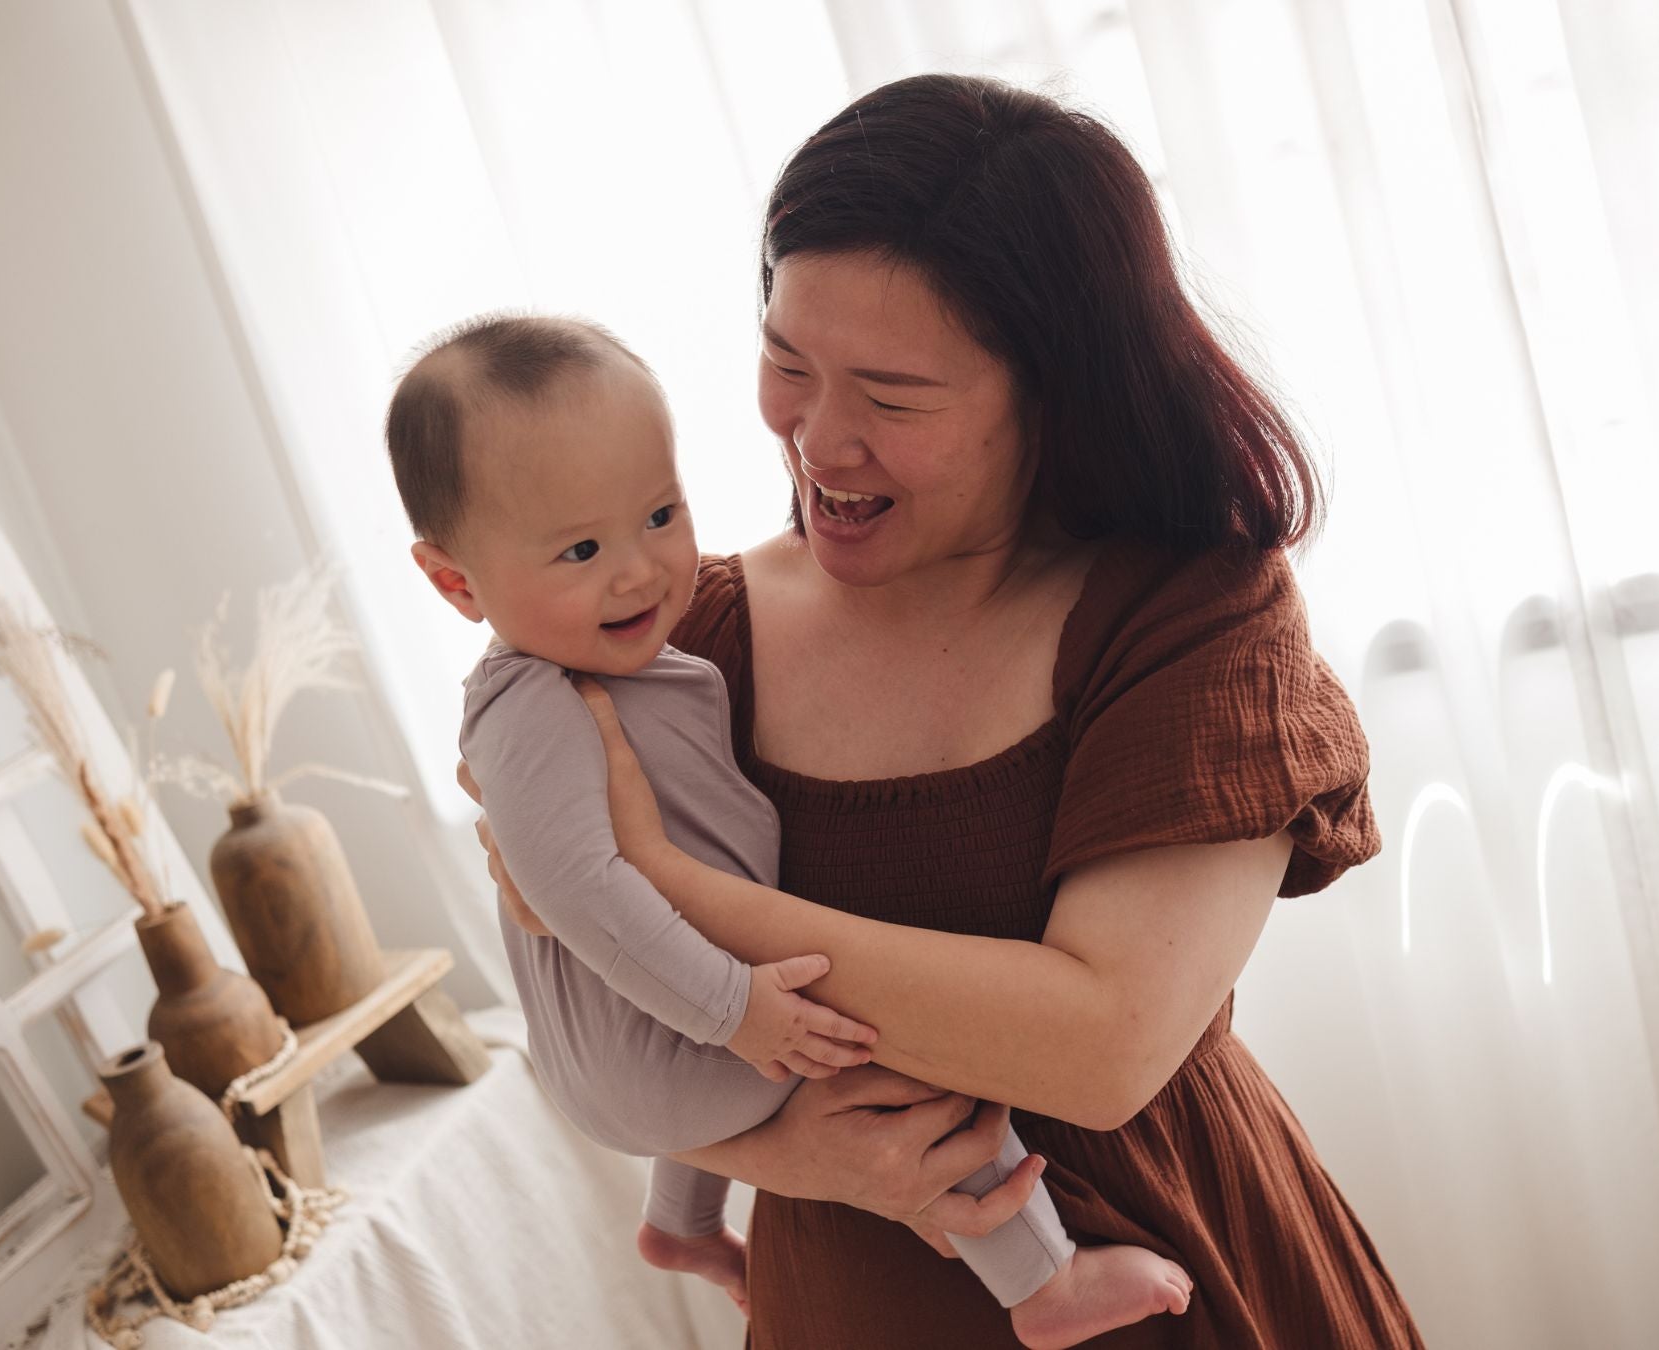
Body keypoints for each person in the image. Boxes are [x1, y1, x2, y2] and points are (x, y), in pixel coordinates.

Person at [465, 73, 1426, 1348]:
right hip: (849, 1300)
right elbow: (582, 999)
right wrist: (802, 1158)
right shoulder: (674, 637)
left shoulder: (1195, 616)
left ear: (1054, 392)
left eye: (895, 396)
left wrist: (662, 882)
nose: (820, 438)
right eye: (786, 361)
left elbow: (1102, 1044)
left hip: (1170, 1273)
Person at [390, 314, 1194, 1348]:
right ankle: (1042, 1283)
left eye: (661, 514)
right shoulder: (537, 704)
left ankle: (679, 1228)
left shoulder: (621, 663)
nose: (639, 572)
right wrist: (737, 1012)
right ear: (457, 583)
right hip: (657, 1045)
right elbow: (578, 893)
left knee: (767, 1021)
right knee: (902, 1057)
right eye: (581, 549)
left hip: (657, 1045)